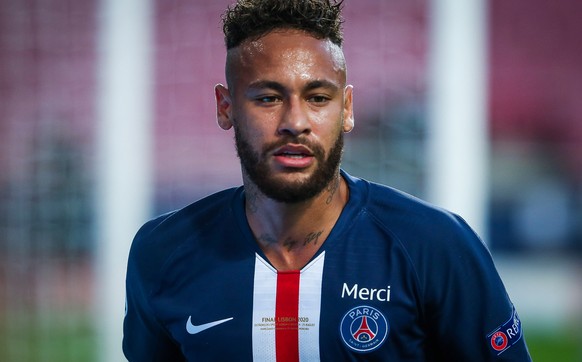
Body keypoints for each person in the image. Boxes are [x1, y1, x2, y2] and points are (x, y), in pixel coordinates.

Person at [122, 0, 532, 360]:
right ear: (226, 107)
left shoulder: (436, 246)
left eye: (318, 98)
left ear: (347, 108)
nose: (295, 123)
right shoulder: (161, 254)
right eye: (268, 98)